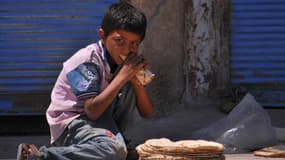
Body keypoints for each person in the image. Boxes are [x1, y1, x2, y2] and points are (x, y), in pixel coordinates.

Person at [16, 2, 153, 160]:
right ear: (102, 36)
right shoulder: (86, 60)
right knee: (114, 152)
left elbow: (147, 112)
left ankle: (112, 142)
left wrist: (136, 81)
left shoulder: (122, 64)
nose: (126, 49)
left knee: (128, 86)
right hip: (72, 123)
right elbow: (92, 112)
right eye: (119, 41)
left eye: (134, 44)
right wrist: (123, 76)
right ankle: (39, 156)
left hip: (101, 123)